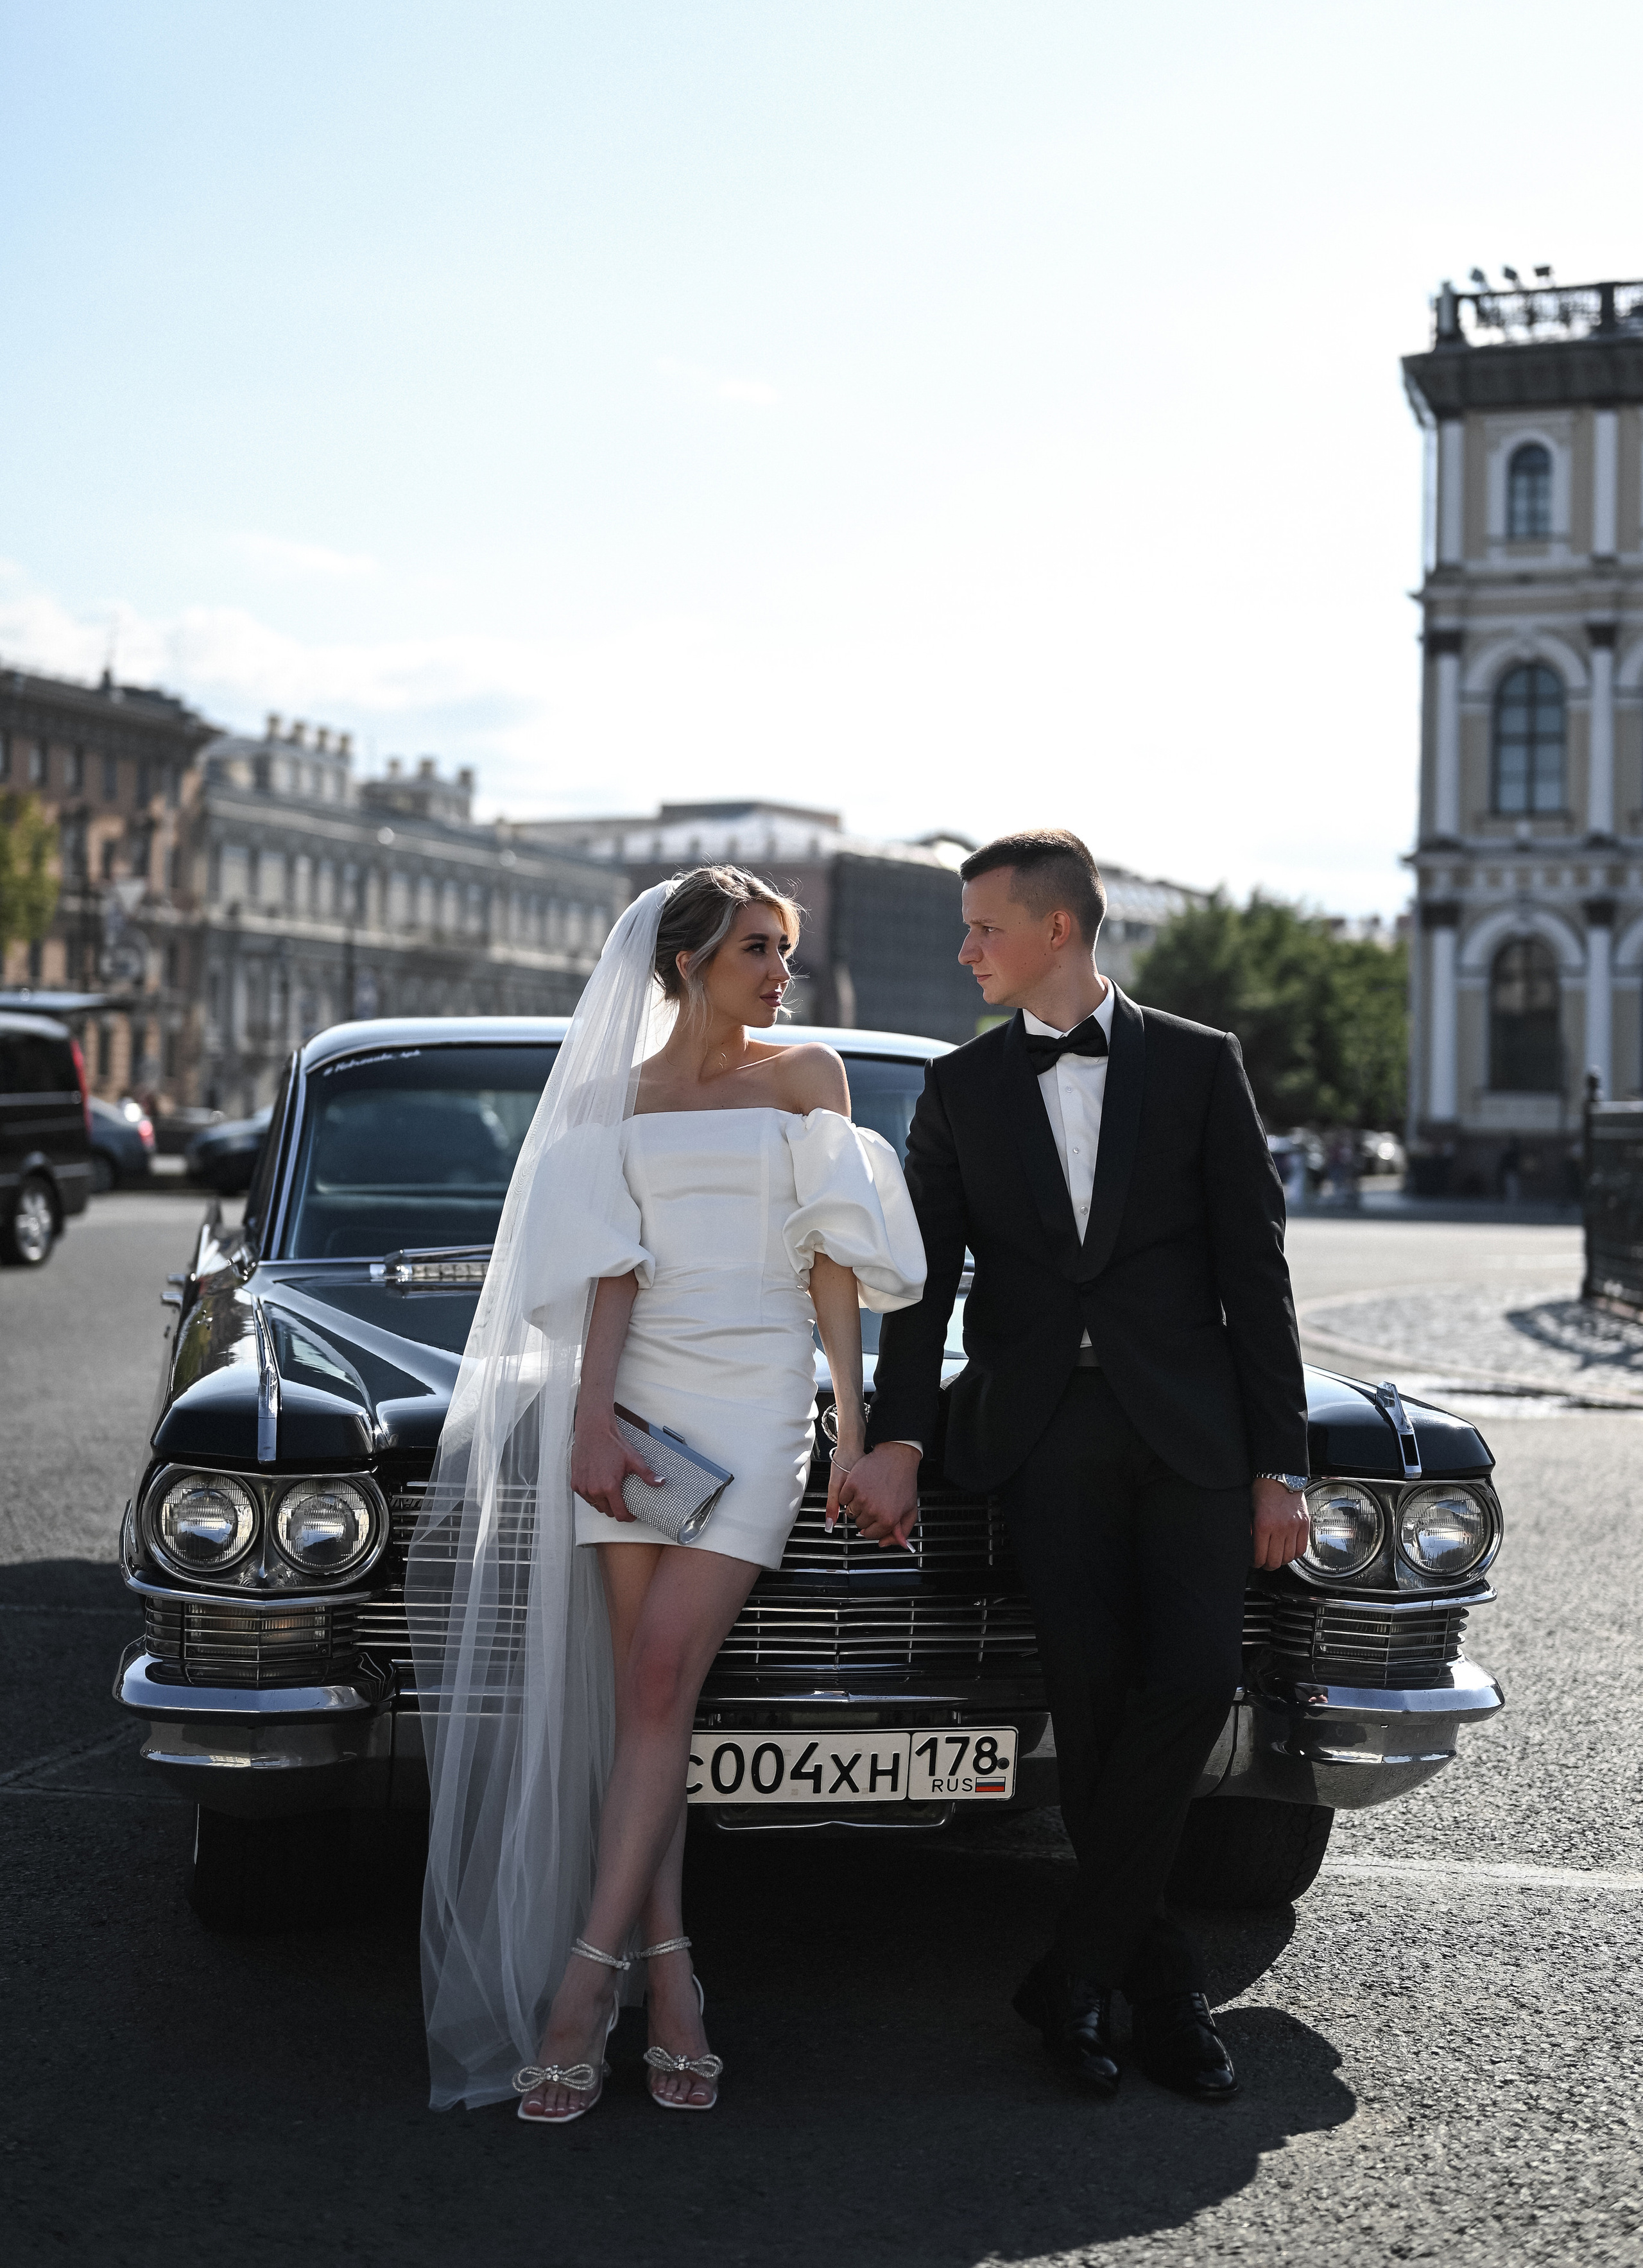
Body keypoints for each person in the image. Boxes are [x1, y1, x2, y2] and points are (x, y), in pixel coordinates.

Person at [409, 866, 925, 2118]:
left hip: (754, 1398)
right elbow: (607, 1278)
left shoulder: (808, 1076)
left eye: (784, 953)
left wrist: (852, 1434)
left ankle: (583, 1992)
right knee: (650, 1698)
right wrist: (589, 1425)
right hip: (636, 1407)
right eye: (757, 949)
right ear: (687, 960)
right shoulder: (613, 1096)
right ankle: (674, 1986)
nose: (777, 974)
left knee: (651, 1680)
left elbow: (832, 1271)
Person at [843, 829, 1309, 2102]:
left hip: (1194, 1436)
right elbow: (917, 1292)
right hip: (1043, 1432)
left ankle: (1081, 1969)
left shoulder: (1203, 1068)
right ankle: (1151, 1985)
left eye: (981, 927)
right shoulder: (958, 1086)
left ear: (1058, 929)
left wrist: (1284, 1463)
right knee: (1090, 1707)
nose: (962, 950)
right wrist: (897, 1437)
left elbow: (1253, 1274)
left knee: (1195, 1679)